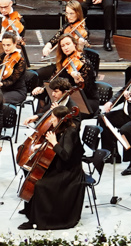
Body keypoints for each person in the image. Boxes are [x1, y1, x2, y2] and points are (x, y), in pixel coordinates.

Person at [18, 77, 88, 231]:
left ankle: (38, 220)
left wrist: (54, 142)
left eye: (56, 91)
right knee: (29, 170)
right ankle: (31, 209)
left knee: (40, 183)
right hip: (59, 158)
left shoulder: (71, 122)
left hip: (68, 169)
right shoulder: (58, 112)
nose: (53, 94)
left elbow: (66, 154)